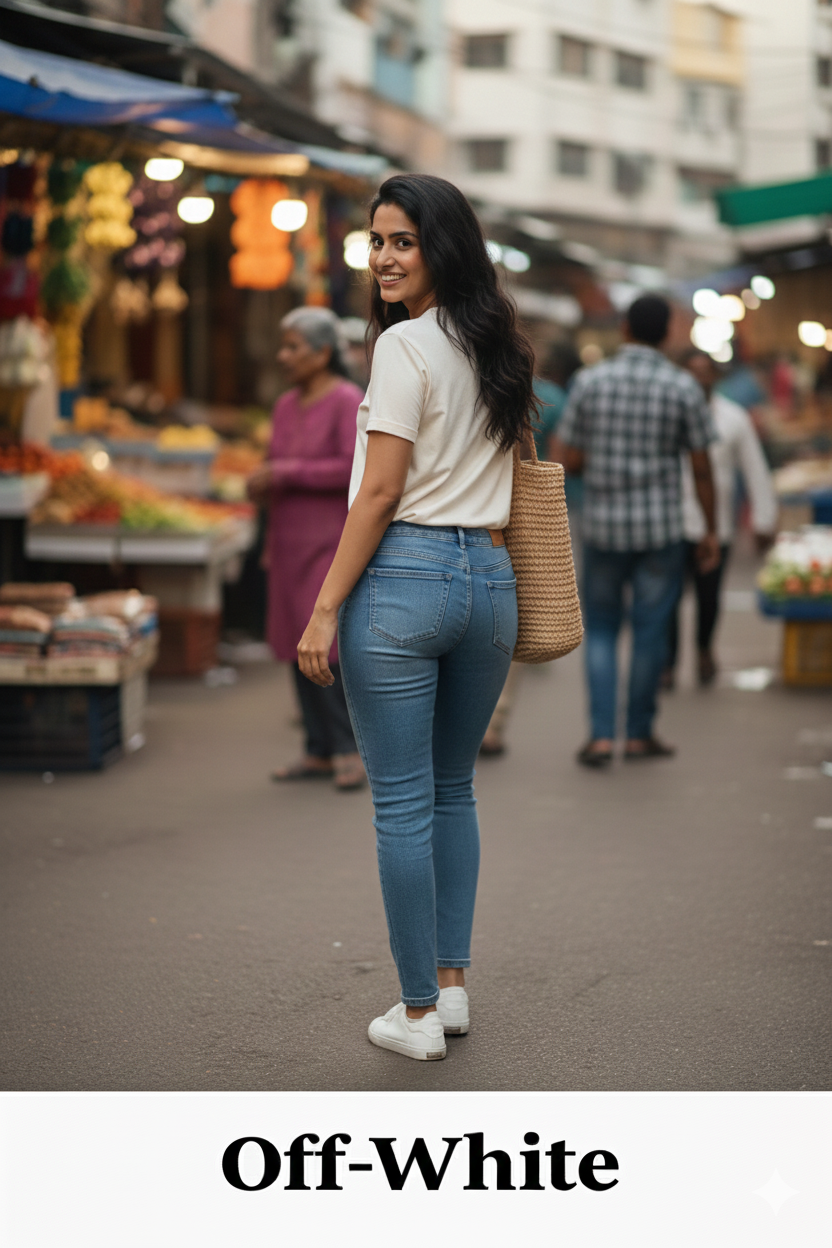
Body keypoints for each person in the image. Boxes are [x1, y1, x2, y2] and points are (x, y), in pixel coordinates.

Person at [295, 173, 537, 1061]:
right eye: (379, 240)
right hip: (490, 585)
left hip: (404, 578)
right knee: (451, 790)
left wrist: (324, 611)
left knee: (402, 804)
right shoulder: (498, 346)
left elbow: (382, 492)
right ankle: (450, 989)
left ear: (445, 247)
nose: (387, 257)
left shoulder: (403, 349)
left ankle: (416, 1016)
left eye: (405, 240)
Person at [552, 294, 719, 768]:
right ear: (667, 333)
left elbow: (565, 457)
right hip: (660, 531)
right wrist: (709, 528)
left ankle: (602, 735)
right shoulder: (682, 387)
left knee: (602, 629)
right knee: (649, 632)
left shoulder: (590, 381)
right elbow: (702, 467)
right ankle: (640, 732)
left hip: (602, 528)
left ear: (624, 328)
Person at [246, 307, 366, 791]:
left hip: (329, 543)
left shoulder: (346, 400)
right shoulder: (283, 404)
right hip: (288, 542)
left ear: (322, 353)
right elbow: (277, 464)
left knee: (327, 647)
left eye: (293, 346)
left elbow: (350, 469)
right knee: (295, 645)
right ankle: (317, 749)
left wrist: (284, 473)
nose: (283, 356)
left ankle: (347, 749)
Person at [479, 341, 582, 756]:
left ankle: (470, 724)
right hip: (514, 513)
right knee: (509, 623)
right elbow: (550, 452)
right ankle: (493, 722)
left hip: (465, 521)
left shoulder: (459, 378)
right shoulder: (544, 395)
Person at [664, 348, 777, 687]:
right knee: (668, 598)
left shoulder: (734, 418)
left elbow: (755, 469)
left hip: (717, 527)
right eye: (691, 370)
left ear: (715, 376)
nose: (699, 378)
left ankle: (703, 649)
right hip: (671, 524)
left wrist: (764, 519)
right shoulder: (665, 414)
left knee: (708, 597)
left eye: (705, 371)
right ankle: (667, 663)